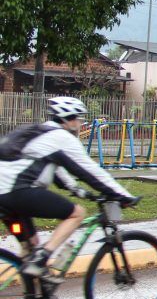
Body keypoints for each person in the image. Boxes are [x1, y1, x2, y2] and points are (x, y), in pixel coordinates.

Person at [0, 97, 139, 278]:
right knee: (77, 213)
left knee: (31, 247)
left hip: (5, 195)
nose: (81, 123)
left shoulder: (40, 132)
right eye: (79, 118)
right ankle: (43, 256)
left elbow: (56, 172)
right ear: (69, 119)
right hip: (17, 192)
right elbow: (89, 171)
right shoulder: (62, 137)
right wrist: (123, 196)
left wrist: (78, 191)